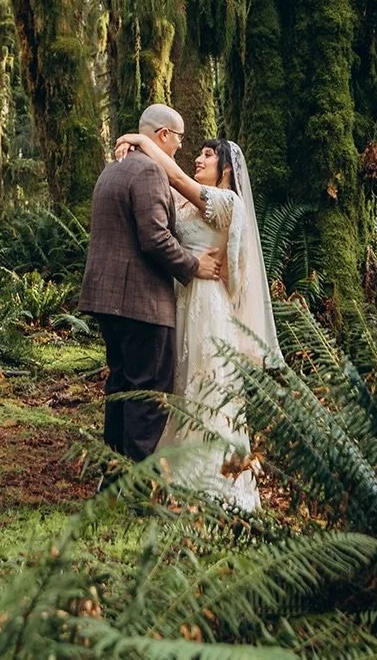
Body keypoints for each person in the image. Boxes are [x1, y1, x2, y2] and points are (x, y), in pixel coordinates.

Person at [113, 128, 280, 510]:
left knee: (205, 384)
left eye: (207, 155)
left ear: (225, 169)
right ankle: (164, 470)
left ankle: (209, 478)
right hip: (179, 295)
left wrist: (139, 140)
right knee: (176, 380)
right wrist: (134, 154)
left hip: (207, 302)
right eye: (198, 154)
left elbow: (173, 176)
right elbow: (158, 191)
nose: (198, 159)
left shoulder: (225, 201)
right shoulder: (188, 204)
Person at [79, 104, 223, 463]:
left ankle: (112, 471)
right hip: (140, 302)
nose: (179, 148)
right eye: (178, 139)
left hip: (105, 298)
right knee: (148, 392)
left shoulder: (112, 170)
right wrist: (193, 266)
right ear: (162, 136)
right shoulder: (148, 173)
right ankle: (137, 481)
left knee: (121, 386)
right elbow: (155, 238)